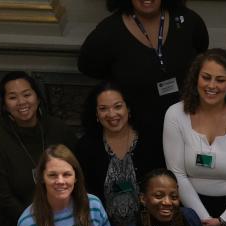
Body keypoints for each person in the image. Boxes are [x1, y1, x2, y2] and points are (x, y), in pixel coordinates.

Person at [77, 0, 210, 157]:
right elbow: (88, 66)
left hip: (189, 128)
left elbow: (202, 52)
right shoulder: (109, 31)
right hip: (139, 135)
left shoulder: (187, 20)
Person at [162, 48, 226, 226]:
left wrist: (225, 221)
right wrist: (203, 220)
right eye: (206, 77)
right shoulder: (175, 114)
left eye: (220, 80)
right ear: (196, 79)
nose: (211, 85)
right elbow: (176, 173)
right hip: (189, 211)